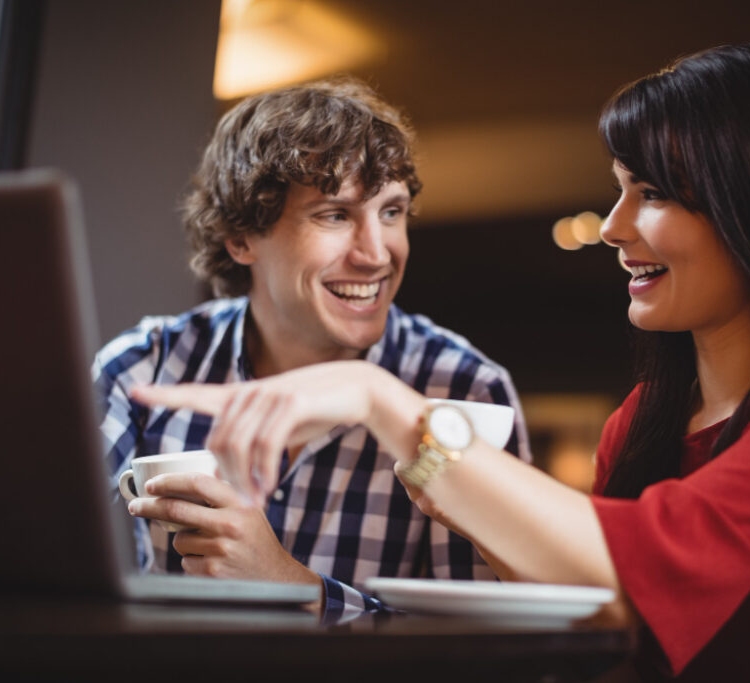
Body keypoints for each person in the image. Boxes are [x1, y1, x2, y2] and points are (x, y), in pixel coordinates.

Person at [131, 43, 750, 680]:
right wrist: (474, 510)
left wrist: (384, 402)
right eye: (618, 190)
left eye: (650, 192)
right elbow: (606, 641)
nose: (614, 227)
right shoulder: (639, 425)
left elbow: (673, 552)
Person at [94, 77, 531, 619]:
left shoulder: (463, 391)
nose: (377, 254)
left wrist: (296, 590)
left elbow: (487, 643)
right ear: (241, 237)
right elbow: (39, 567)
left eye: (391, 213)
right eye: (335, 214)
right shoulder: (144, 366)